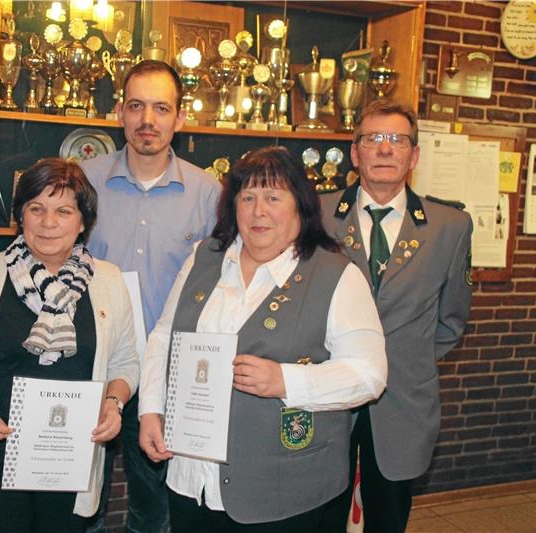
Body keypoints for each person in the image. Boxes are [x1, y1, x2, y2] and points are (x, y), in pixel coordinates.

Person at [137, 146, 388, 532]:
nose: (258, 211)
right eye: (248, 197)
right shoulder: (203, 257)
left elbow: (370, 373)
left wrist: (286, 381)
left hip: (281, 492)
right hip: (191, 478)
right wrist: (150, 408)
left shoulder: (337, 275)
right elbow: (163, 336)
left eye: (273, 197)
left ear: (299, 206)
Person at [0, 158, 139, 532]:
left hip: (71, 464)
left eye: (63, 210)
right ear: (20, 216)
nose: (48, 222)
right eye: (36, 208)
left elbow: (126, 362)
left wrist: (114, 403)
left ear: (83, 221)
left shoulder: (109, 281)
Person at [80, 59, 221, 533]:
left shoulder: (209, 194)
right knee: (82, 501)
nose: (148, 120)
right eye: (137, 105)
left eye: (162, 108)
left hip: (167, 376)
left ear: (180, 118)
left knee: (153, 507)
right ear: (119, 112)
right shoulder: (83, 182)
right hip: (91, 365)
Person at [319, 100, 473, 533]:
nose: (385, 150)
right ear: (355, 153)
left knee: (388, 520)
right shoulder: (317, 214)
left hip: (404, 401)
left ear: (414, 155)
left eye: (397, 140)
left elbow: (452, 320)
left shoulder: (450, 225)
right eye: (373, 139)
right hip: (329, 399)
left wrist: (407, 360)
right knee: (324, 518)